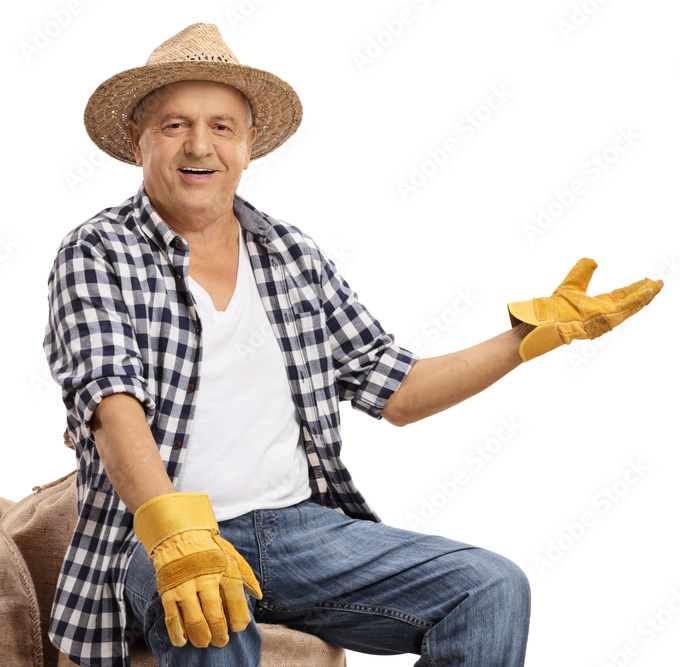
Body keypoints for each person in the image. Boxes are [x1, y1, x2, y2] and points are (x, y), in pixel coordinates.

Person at [42, 23, 663, 667]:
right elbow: (111, 404)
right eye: (174, 125)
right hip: (157, 535)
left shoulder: (291, 255)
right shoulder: (98, 251)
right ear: (136, 139)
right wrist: (178, 536)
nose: (200, 145)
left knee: (491, 588)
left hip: (296, 528)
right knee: (210, 614)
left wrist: (526, 340)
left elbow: (397, 390)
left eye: (222, 126)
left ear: (249, 144)